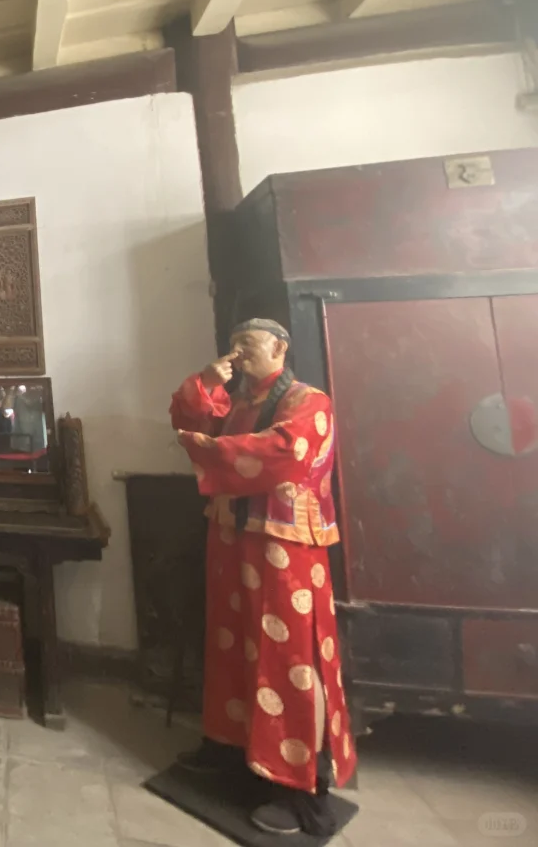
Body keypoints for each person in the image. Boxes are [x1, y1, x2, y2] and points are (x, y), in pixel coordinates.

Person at [169, 319, 355, 835]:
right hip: (233, 535)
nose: (239, 352)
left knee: (289, 656)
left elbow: (283, 452)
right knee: (230, 646)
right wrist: (208, 382)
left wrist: (206, 450)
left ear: (279, 347)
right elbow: (187, 415)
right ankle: (229, 749)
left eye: (248, 344)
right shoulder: (238, 403)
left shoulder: (308, 401)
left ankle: (297, 785)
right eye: (234, 345)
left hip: (283, 545)